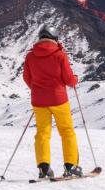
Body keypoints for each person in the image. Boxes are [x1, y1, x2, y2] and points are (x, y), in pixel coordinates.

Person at [23, 26, 82, 180]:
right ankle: (71, 166)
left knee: (42, 133)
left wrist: (38, 89)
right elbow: (69, 80)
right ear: (55, 38)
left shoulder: (30, 56)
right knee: (67, 131)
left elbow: (27, 78)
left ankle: (43, 167)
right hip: (59, 100)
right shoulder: (59, 55)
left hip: (39, 101)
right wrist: (75, 79)